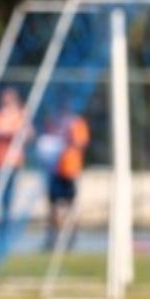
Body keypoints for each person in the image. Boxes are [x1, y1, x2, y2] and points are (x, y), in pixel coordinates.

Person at [38, 104, 90, 250]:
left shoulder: (76, 123)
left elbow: (81, 143)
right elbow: (45, 142)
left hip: (69, 170)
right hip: (53, 171)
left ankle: (72, 239)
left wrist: (67, 139)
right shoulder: (52, 123)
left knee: (71, 206)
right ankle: (51, 238)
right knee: (52, 206)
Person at [0, 86, 31, 232]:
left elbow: (28, 134)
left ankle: (4, 230)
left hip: (10, 165)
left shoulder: (21, 116)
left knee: (7, 201)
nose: (5, 102)